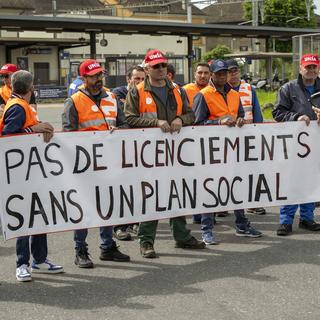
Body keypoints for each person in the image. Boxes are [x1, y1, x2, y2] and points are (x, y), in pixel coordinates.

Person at [124, 49, 206, 258]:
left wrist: (181, 120)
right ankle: (146, 241)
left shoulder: (178, 90)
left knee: (176, 193)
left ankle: (182, 236)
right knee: (152, 195)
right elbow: (130, 118)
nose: (161, 69)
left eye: (163, 65)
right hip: (149, 154)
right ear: (147, 69)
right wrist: (155, 123)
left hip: (176, 153)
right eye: (156, 66)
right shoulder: (137, 90)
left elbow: (190, 114)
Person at [62, 59, 130, 267]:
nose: (98, 79)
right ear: (83, 78)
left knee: (107, 205)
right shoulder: (73, 101)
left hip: (109, 163)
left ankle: (107, 246)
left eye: (100, 75)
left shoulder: (111, 97)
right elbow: (68, 133)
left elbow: (124, 124)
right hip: (85, 165)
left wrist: (120, 132)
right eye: (93, 76)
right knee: (84, 208)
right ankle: (80, 249)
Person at [0, 70, 63, 282]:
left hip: (31, 172)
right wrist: (34, 129)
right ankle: (22, 263)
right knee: (25, 219)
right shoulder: (18, 106)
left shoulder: (21, 105)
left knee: (38, 217)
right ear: (32, 88)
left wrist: (40, 128)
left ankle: (39, 259)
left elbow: (25, 128)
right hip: (21, 174)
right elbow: (9, 136)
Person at [193, 59, 263, 244]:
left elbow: (240, 115)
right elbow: (196, 124)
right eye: (219, 73)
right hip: (212, 152)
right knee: (211, 189)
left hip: (233, 149)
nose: (223, 76)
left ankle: (241, 224)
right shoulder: (203, 95)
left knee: (237, 186)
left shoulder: (234, 94)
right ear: (212, 75)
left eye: (225, 73)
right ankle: (206, 230)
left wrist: (239, 120)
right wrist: (218, 122)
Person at [272, 53, 320, 236]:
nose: (311, 70)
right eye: (308, 67)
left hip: (316, 143)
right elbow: (277, 112)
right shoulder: (288, 88)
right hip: (294, 144)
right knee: (292, 181)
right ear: (300, 68)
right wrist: (296, 117)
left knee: (311, 181)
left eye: (314, 67)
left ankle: (307, 218)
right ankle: (286, 221)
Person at [226, 59, 266, 215]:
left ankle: (253, 203)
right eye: (229, 71)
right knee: (228, 172)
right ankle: (224, 205)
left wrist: (258, 133)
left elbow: (257, 114)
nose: (233, 74)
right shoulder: (220, 90)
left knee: (251, 170)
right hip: (227, 139)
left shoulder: (249, 88)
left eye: (235, 70)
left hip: (248, 137)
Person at [111, 65, 145, 240]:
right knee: (122, 189)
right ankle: (119, 226)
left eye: (142, 79)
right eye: (136, 78)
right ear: (128, 79)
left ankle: (135, 223)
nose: (139, 82)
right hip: (120, 150)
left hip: (141, 149)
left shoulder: (147, 94)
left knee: (139, 188)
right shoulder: (117, 95)